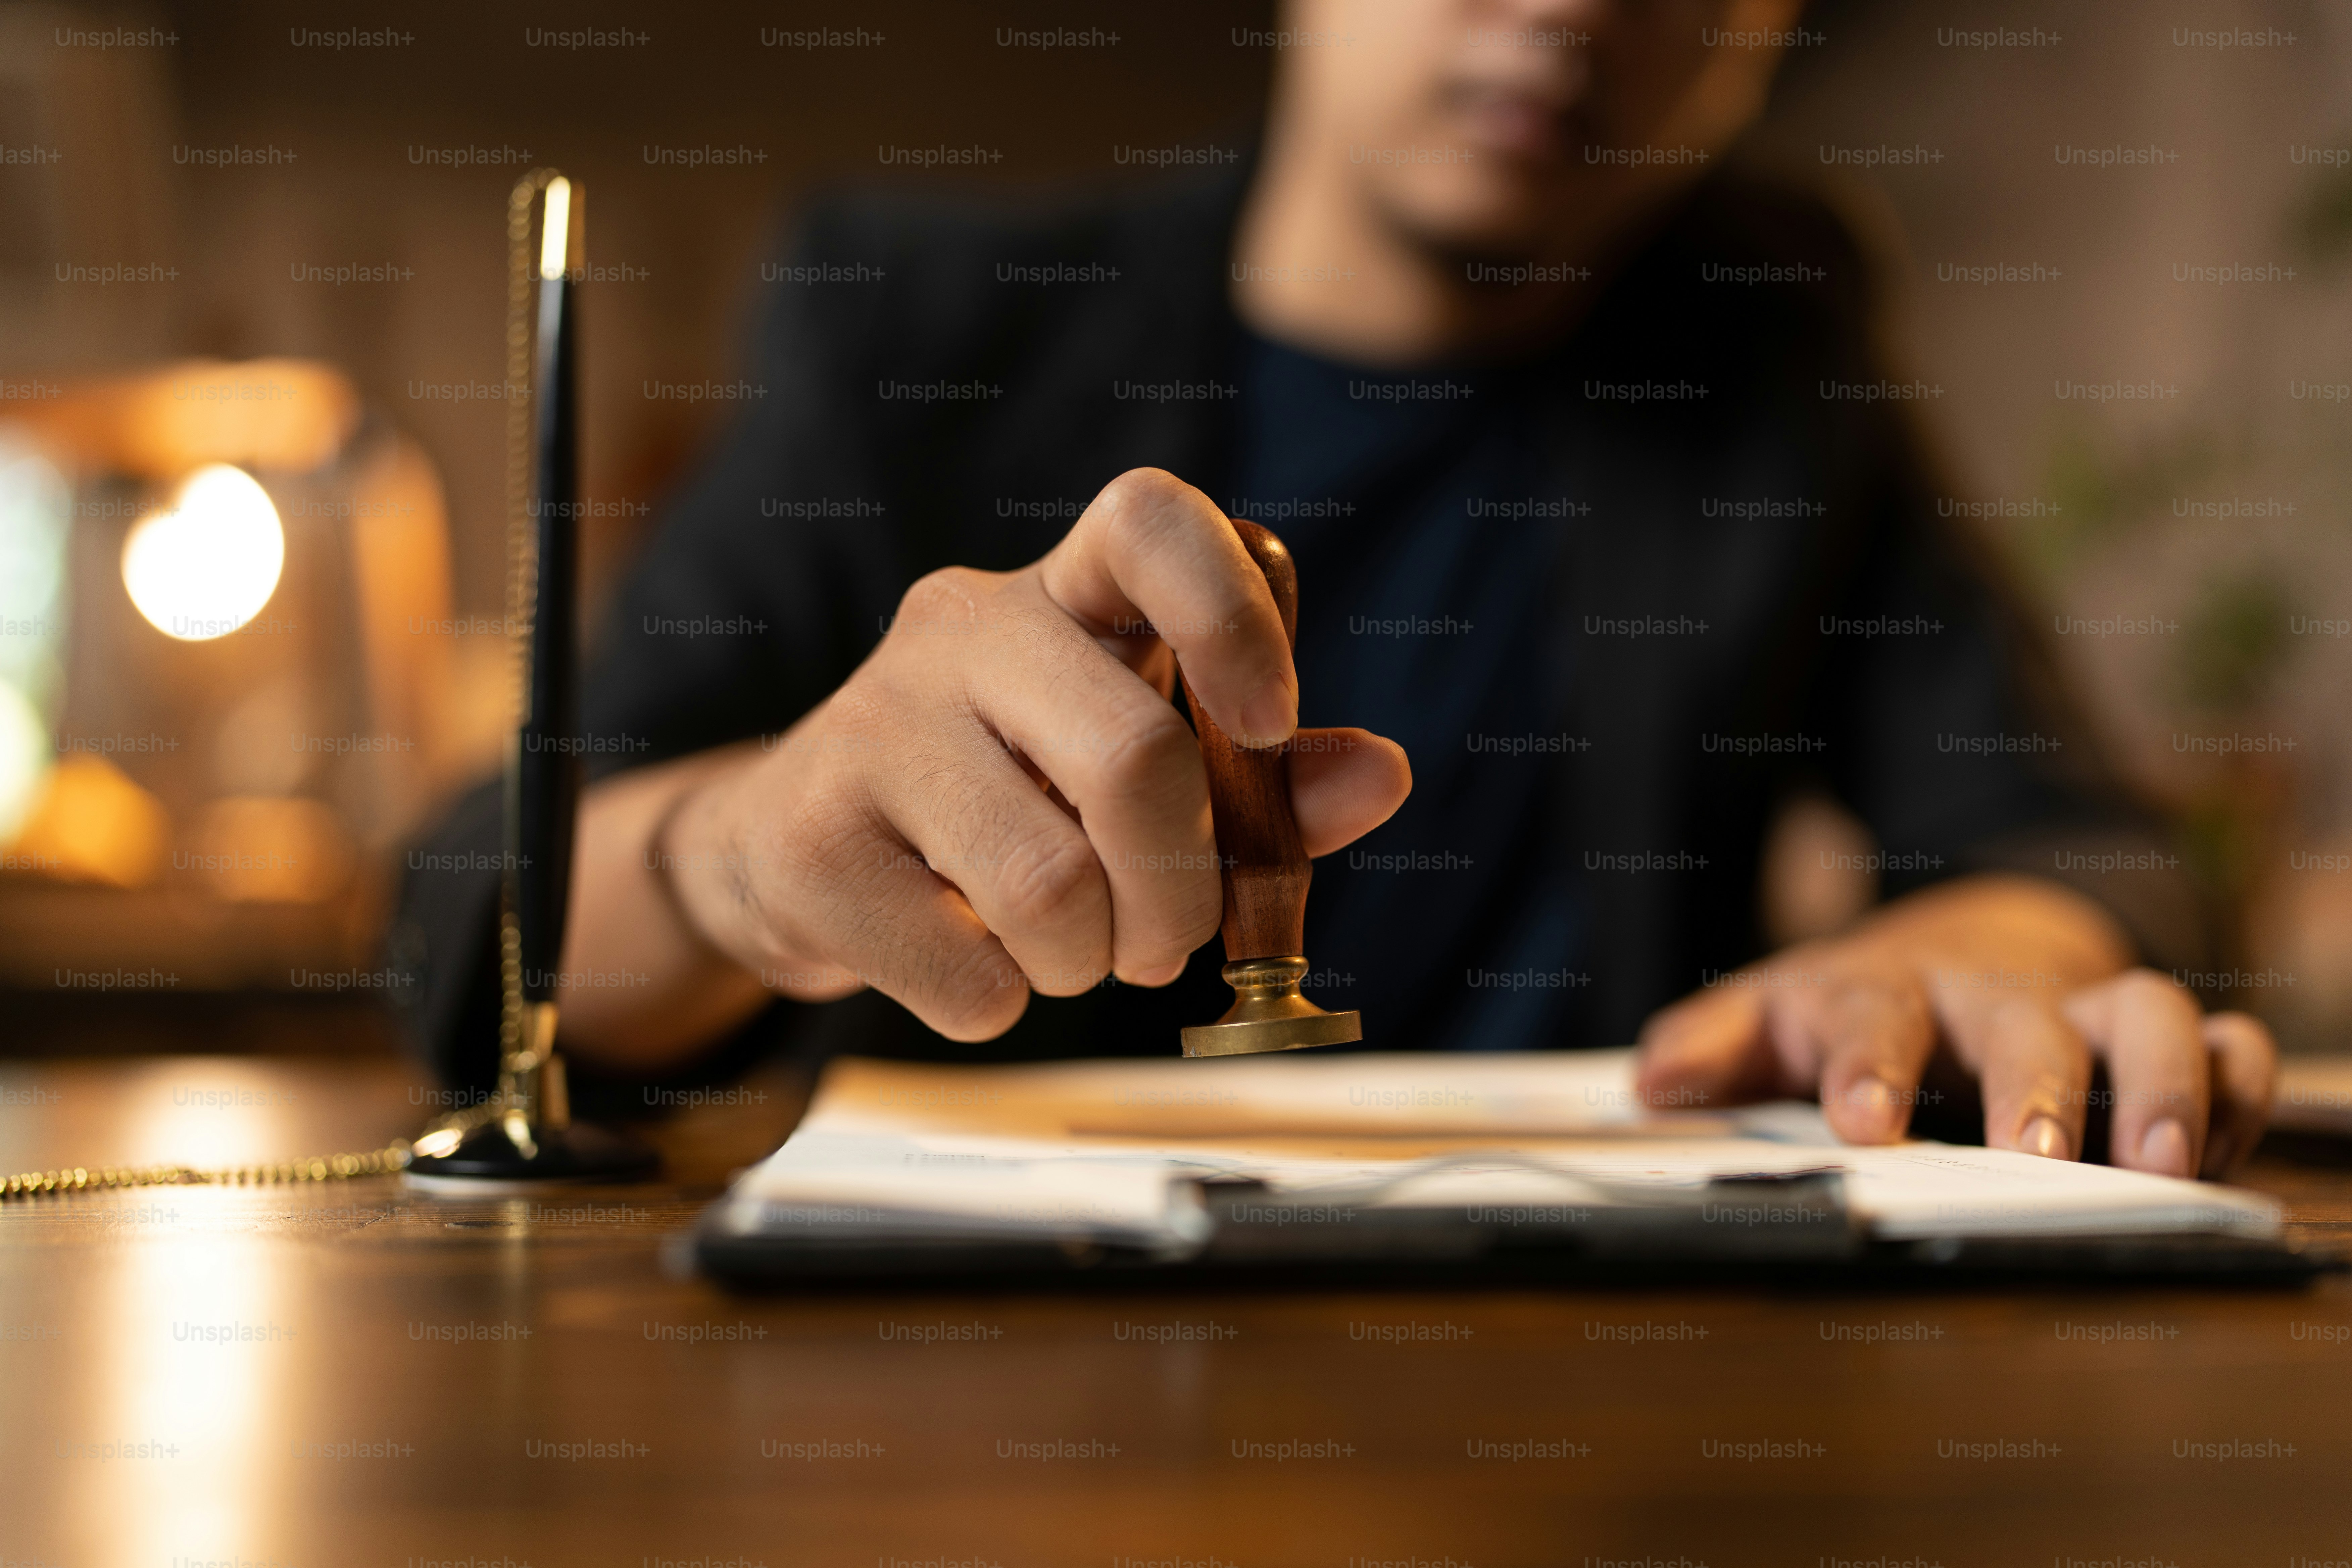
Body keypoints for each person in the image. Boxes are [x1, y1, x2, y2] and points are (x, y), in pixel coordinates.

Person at [396, 0, 2274, 1178]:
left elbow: (2082, 838)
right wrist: (745, 860)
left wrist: (1982, 954)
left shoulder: (1770, 341)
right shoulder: (923, 328)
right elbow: (469, 910)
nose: (1572, 11)